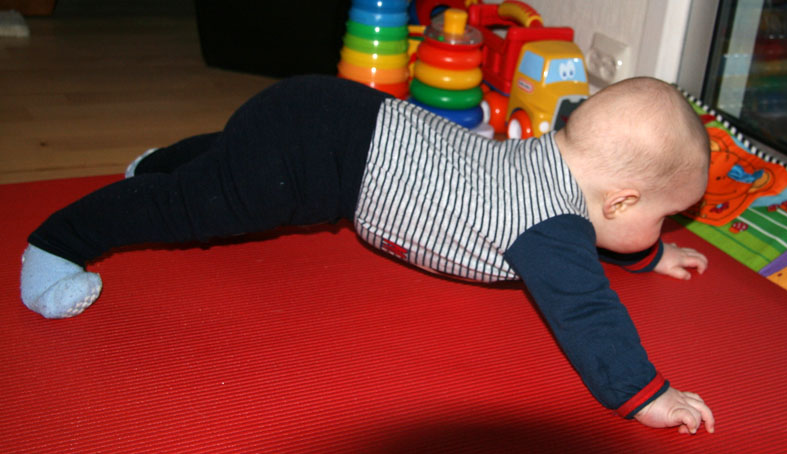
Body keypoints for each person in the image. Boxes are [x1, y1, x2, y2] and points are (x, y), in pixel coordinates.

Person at [19, 75, 715, 434]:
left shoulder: (551, 159)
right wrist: (646, 394)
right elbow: (587, 311)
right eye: (661, 216)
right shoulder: (551, 225)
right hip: (320, 162)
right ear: (621, 201)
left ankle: (157, 166)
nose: (663, 226)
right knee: (204, 208)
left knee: (229, 167)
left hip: (337, 113)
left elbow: (595, 235)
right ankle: (57, 243)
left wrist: (648, 257)